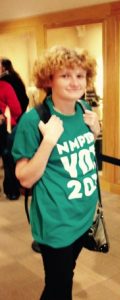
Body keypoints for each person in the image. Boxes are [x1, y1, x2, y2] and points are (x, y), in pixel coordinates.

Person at [12, 45, 101, 300]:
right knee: (59, 286)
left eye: (80, 76)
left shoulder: (84, 110)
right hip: (56, 221)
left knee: (65, 276)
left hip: (84, 216)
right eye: (65, 75)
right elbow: (25, 177)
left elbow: (80, 156)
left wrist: (94, 132)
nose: (74, 82)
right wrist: (49, 141)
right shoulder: (35, 120)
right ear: (49, 79)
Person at [0, 80, 22, 199]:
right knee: (8, 159)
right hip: (5, 128)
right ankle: (11, 191)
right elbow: (16, 109)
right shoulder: (4, 86)